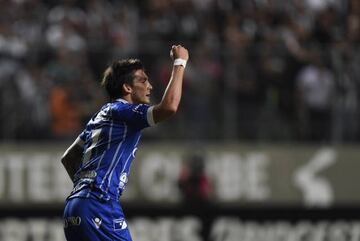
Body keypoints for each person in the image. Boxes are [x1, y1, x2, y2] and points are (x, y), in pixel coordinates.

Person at [61, 45, 189, 241]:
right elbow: (169, 107)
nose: (150, 86)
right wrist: (180, 63)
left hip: (75, 207)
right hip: (99, 205)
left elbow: (68, 158)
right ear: (127, 88)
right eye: (143, 80)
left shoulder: (100, 115)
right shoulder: (124, 111)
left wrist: (85, 189)